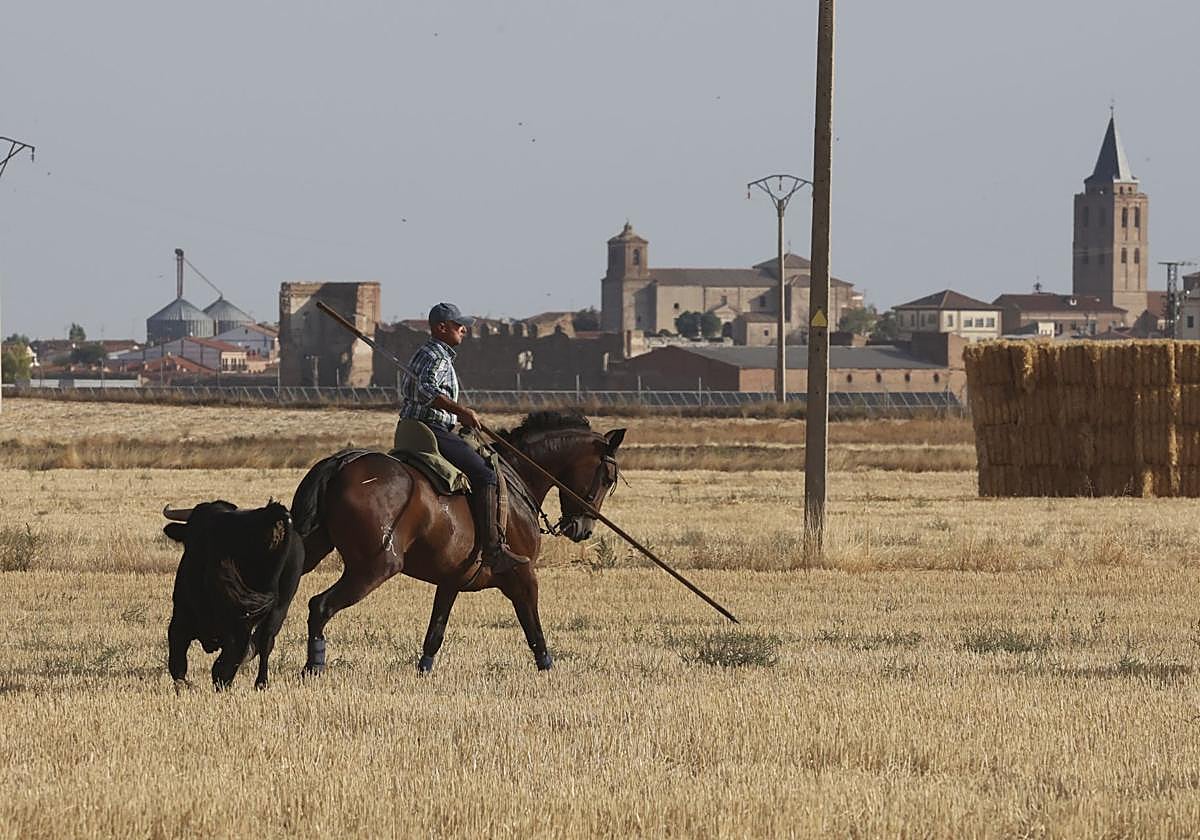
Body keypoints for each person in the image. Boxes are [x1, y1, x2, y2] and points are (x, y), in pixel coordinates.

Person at [398, 302, 526, 574]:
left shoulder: (430, 353)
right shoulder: (437, 356)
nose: (464, 330)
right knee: (486, 474)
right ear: (441, 328)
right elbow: (426, 390)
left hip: (419, 427)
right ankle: (493, 549)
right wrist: (462, 411)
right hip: (433, 429)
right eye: (458, 325)